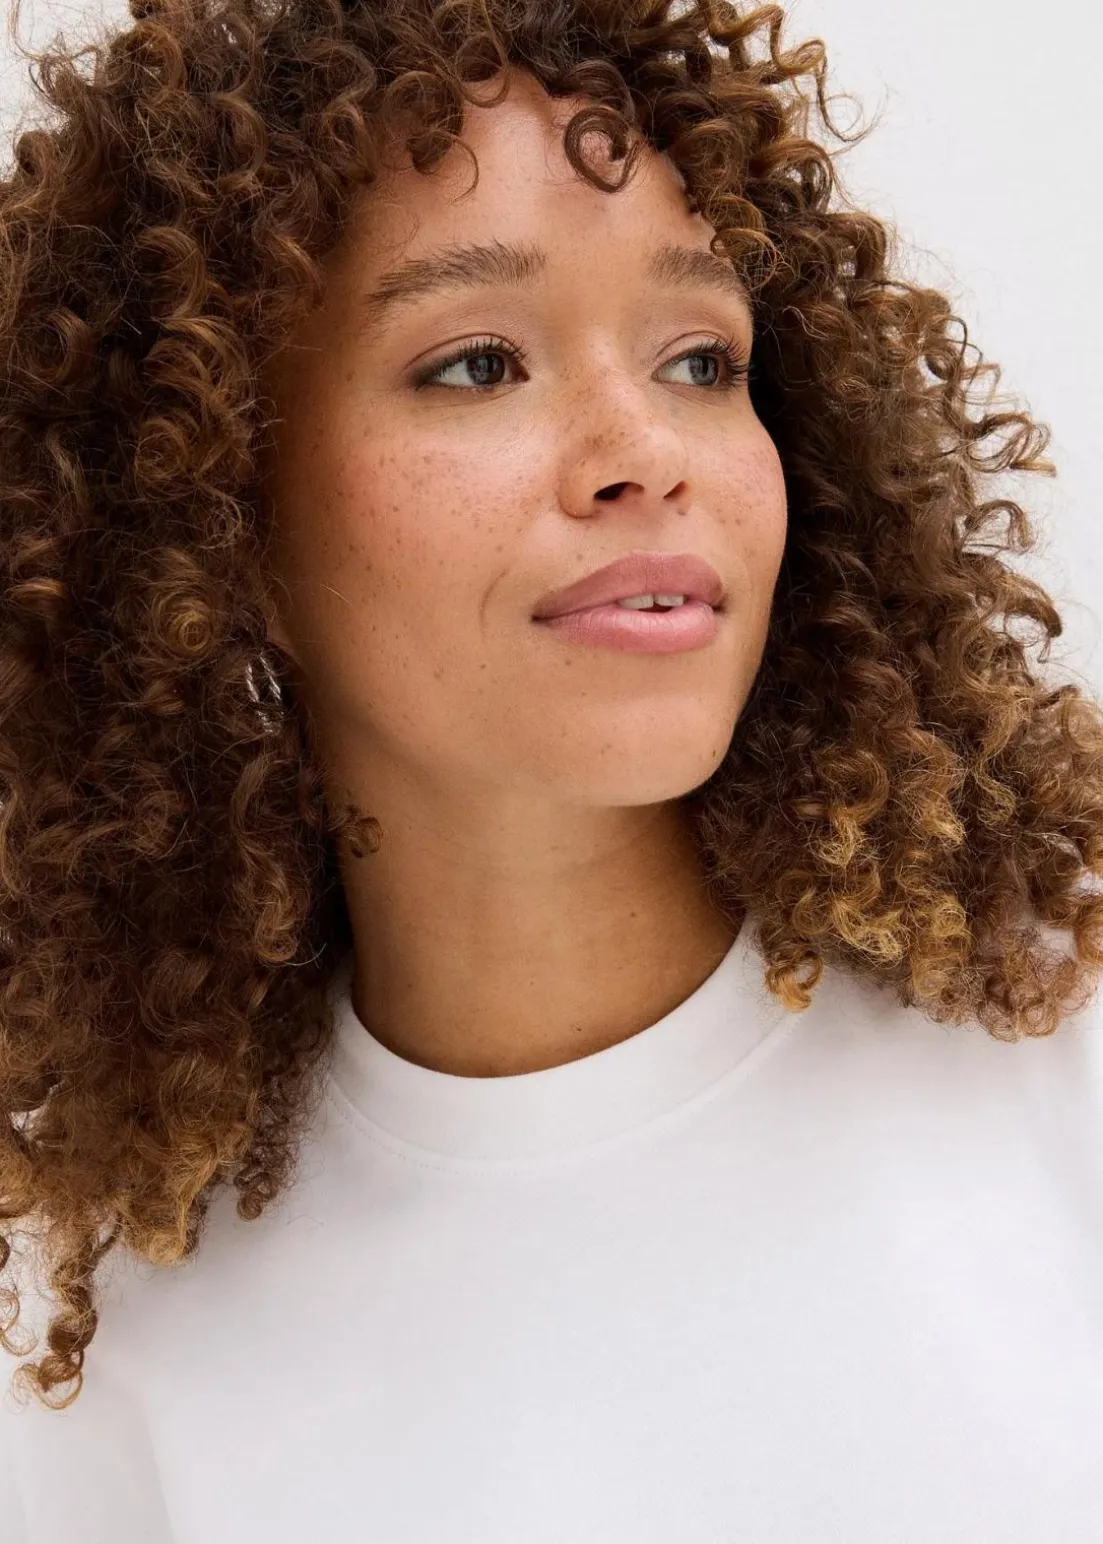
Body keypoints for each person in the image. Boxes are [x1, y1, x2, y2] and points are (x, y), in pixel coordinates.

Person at [1, 0, 1102, 1538]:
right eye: (475, 364)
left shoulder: (1061, 1037)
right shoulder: (123, 1358)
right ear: (207, 508)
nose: (642, 446)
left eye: (701, 358)